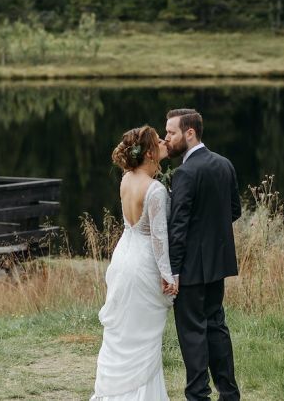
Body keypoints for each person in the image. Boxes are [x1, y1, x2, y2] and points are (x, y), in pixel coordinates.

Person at [91, 125, 175, 401]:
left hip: (123, 256)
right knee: (145, 336)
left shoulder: (126, 179)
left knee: (126, 331)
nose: (165, 142)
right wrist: (168, 276)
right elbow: (159, 240)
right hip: (143, 264)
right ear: (150, 153)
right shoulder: (155, 189)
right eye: (159, 140)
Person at [164, 108, 241, 401]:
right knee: (216, 326)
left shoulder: (185, 172)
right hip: (217, 264)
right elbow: (235, 211)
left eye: (171, 132)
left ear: (189, 133)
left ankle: (198, 395)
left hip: (192, 269)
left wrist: (173, 271)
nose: (166, 138)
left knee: (192, 332)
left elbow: (178, 227)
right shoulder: (224, 164)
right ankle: (229, 393)